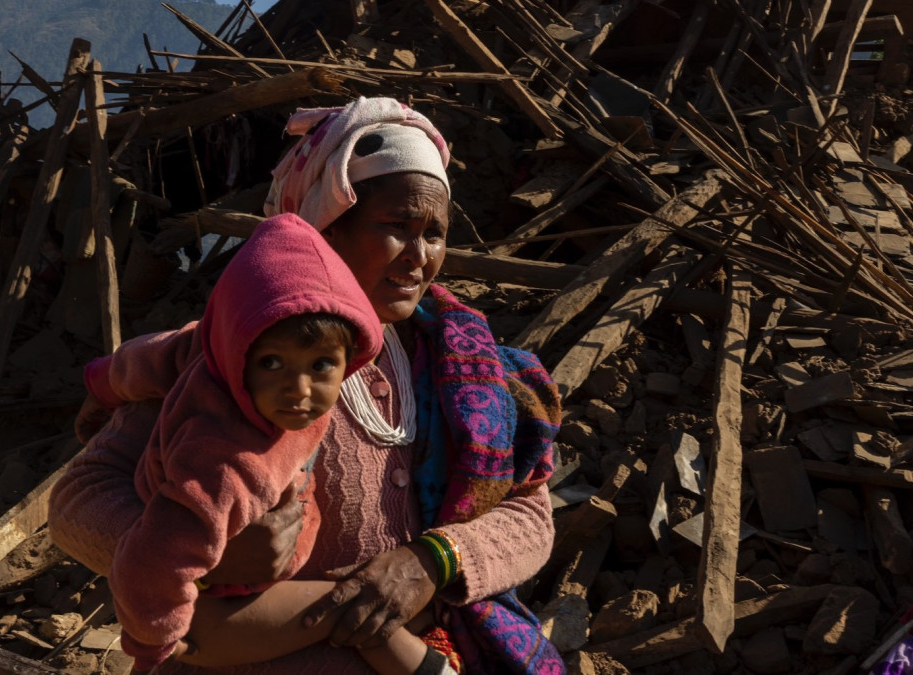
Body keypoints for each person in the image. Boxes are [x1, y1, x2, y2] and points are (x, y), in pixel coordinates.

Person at [50, 97, 566, 674]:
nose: (418, 257)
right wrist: (201, 553)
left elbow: (531, 517)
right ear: (326, 225)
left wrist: (432, 560)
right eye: (396, 228)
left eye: (435, 234)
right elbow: (76, 500)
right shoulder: (237, 357)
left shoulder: (471, 372)